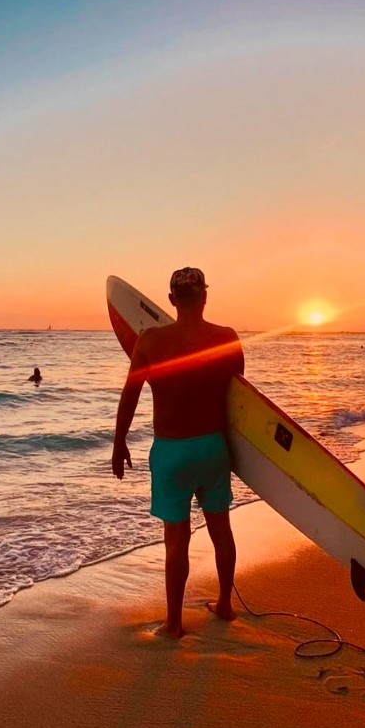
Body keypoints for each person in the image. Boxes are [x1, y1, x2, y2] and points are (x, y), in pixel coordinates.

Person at [112, 267, 245, 638]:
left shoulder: (151, 340)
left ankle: (173, 623)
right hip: (212, 446)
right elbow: (240, 399)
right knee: (221, 530)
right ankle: (225, 604)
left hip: (171, 452)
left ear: (171, 300)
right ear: (205, 296)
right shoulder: (226, 338)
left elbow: (131, 394)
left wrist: (119, 441)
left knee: (176, 539)